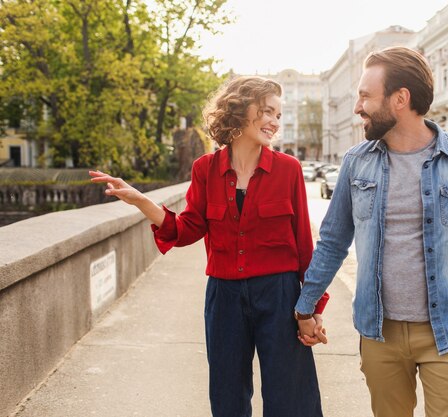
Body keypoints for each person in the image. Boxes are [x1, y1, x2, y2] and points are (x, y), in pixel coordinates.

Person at [294, 47, 448, 417]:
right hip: (379, 332)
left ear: (400, 99)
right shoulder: (355, 163)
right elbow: (333, 243)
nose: (357, 107)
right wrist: (305, 307)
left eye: (366, 95)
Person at [90, 76, 329, 417]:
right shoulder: (205, 169)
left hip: (279, 294)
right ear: (239, 110)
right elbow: (187, 230)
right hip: (225, 297)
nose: (275, 121)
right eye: (267, 111)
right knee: (227, 396)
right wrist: (142, 201)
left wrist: (312, 308)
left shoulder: (288, 170)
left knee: (291, 398)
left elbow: (305, 247)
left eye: (278, 113)